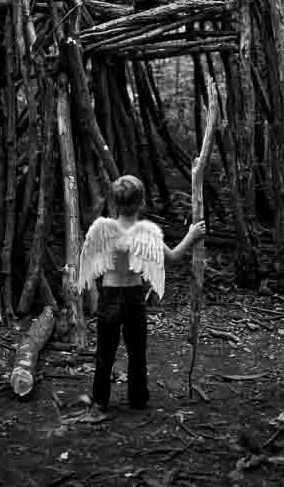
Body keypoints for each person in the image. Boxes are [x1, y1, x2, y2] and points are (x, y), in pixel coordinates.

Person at [77, 174, 206, 414]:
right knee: (137, 351)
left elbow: (89, 261)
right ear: (141, 203)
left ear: (113, 203)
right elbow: (174, 258)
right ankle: (138, 398)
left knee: (105, 351)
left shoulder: (102, 230)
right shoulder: (145, 233)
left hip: (109, 295)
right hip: (134, 297)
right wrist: (192, 235)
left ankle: (100, 400)